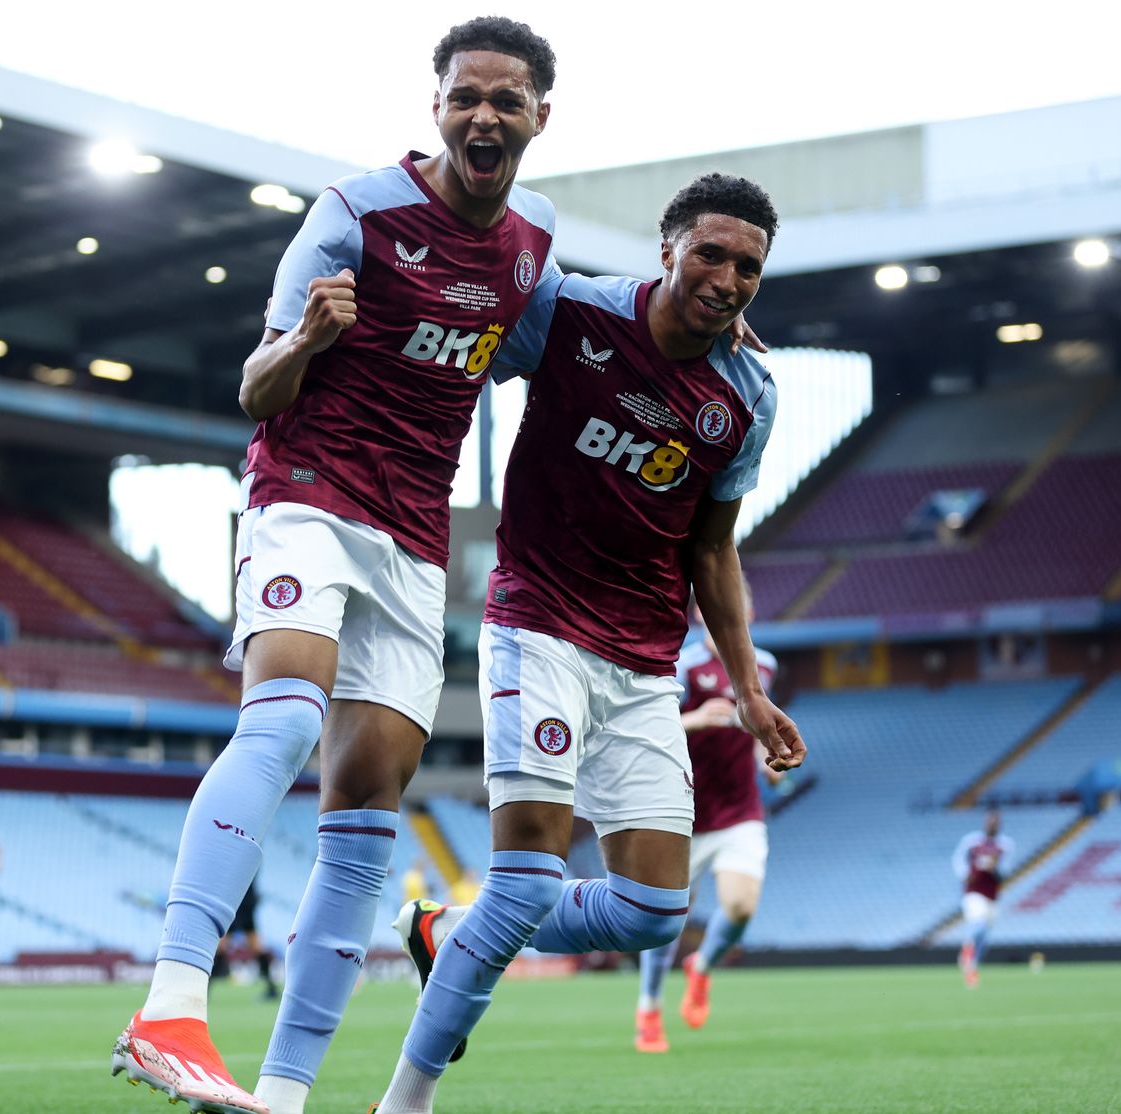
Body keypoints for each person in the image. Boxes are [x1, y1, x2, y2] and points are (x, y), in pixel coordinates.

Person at [110, 18, 562, 1114]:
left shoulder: (533, 240)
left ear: (541, 115)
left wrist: (693, 327)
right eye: (465, 96)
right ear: (436, 105)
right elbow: (256, 393)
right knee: (284, 718)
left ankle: (283, 1094)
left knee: (366, 807)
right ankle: (171, 1002)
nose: (483, 116)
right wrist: (308, 339)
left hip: (415, 544)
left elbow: (575, 342)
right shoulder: (354, 215)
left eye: (507, 100)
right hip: (308, 495)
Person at [375, 173, 804, 1114]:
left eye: (748, 268)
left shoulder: (748, 396)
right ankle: (403, 1102)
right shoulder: (568, 313)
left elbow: (714, 549)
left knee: (653, 913)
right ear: (666, 250)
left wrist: (746, 685)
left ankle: (450, 931)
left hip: (645, 666)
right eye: (710, 254)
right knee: (526, 880)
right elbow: (473, 298)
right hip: (537, 626)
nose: (727, 278)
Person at [634, 589, 782, 1052]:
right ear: (701, 614)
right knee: (664, 921)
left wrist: (767, 758)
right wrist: (696, 719)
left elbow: (758, 727)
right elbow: (645, 727)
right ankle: (650, 1008)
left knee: (740, 908)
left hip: (740, 810)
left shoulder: (766, 666)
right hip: (685, 810)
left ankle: (701, 968)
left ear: (750, 612)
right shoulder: (681, 665)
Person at [953, 810, 1014, 988]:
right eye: (990, 821)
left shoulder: (1006, 845)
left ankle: (971, 969)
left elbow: (1005, 872)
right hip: (973, 892)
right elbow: (957, 858)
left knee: (984, 937)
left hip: (992, 895)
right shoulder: (972, 841)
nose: (992, 824)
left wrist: (995, 868)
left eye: (996, 822)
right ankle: (966, 951)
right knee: (977, 924)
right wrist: (964, 875)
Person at [215, 879, 280, 1000]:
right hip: (244, 900)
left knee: (221, 945)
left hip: (238, 901)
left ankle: (205, 991)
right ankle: (272, 989)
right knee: (255, 946)